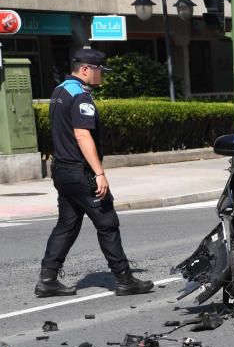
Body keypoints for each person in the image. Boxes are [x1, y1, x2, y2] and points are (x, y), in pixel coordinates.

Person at [36, 48, 153, 297]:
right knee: (107, 222)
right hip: (81, 173)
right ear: (86, 69)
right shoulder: (81, 97)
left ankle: (47, 279)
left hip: (62, 171)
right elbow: (82, 135)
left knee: (67, 224)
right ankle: (124, 279)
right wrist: (99, 173)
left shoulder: (60, 91)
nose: (103, 76)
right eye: (100, 71)